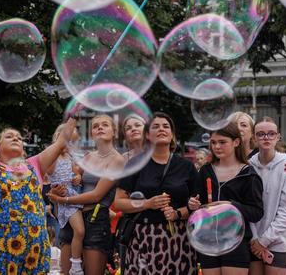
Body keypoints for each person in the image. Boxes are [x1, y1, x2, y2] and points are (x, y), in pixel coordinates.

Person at [0, 81, 76, 274]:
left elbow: (62, 139)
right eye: (9, 136)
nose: (16, 138)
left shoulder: (34, 165)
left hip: (35, 246)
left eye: (19, 138)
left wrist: (76, 112)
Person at [116, 112, 197, 274]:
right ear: (147, 135)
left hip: (178, 239)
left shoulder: (186, 166)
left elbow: (197, 206)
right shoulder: (136, 164)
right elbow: (119, 202)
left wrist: (177, 213)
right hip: (144, 237)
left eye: (166, 126)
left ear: (172, 135)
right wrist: (147, 204)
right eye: (156, 126)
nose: (161, 129)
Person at [188, 121, 264, 275]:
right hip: (207, 241)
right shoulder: (205, 171)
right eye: (213, 142)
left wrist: (231, 205)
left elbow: (256, 212)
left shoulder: (248, 174)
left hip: (236, 242)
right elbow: (197, 204)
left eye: (222, 142)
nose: (217, 147)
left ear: (236, 142)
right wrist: (193, 204)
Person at [47, 116, 118, 275]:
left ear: (115, 132)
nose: (99, 128)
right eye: (95, 126)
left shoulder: (117, 160)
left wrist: (62, 199)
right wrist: (56, 192)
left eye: (105, 125)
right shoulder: (86, 157)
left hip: (95, 220)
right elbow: (68, 180)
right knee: (68, 272)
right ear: (91, 133)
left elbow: (96, 195)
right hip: (73, 217)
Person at [248, 117, 286, 274]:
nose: (266, 137)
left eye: (271, 134)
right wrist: (255, 239)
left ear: (278, 137)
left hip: (278, 241)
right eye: (261, 134)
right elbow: (246, 205)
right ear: (254, 138)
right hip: (253, 240)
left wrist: (264, 240)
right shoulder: (248, 166)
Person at [49, 123, 85, 275]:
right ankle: (75, 265)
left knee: (77, 232)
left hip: (72, 196)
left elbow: (76, 175)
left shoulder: (70, 158)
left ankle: (75, 263)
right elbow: (49, 172)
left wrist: (78, 177)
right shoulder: (53, 157)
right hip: (65, 200)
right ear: (57, 138)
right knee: (80, 230)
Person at [229, 112, 286, 180]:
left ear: (253, 133)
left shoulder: (263, 152)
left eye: (244, 125)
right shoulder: (224, 157)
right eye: (234, 125)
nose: (239, 128)